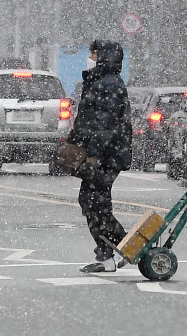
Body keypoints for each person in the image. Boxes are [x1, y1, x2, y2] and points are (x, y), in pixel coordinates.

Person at [68, 40, 133, 273]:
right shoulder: (97, 81)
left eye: (93, 54)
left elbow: (105, 124)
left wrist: (93, 154)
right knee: (92, 202)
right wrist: (73, 143)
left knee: (96, 203)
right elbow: (87, 119)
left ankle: (127, 246)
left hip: (107, 156)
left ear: (104, 56)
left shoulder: (110, 83)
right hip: (100, 154)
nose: (90, 57)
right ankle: (110, 254)